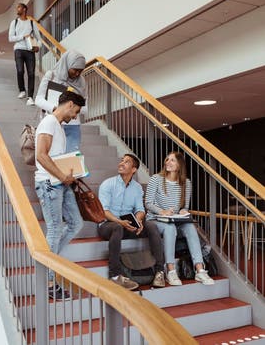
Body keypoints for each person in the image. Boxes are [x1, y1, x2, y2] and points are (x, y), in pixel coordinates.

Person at [35, 90, 86, 300]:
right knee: (55, 229)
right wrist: (62, 176)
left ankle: (51, 259)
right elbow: (40, 155)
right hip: (49, 184)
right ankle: (48, 280)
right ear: (70, 104)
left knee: (76, 223)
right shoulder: (48, 122)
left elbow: (54, 157)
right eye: (76, 112)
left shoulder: (59, 128)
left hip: (60, 183)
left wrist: (72, 172)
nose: (75, 116)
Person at [145, 151, 215, 286]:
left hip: (175, 219)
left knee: (190, 226)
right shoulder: (156, 179)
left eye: (172, 160)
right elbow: (148, 203)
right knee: (170, 228)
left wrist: (183, 211)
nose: (168, 162)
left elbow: (184, 207)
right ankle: (170, 271)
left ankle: (200, 270)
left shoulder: (186, 183)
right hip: (156, 219)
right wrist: (162, 211)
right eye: (167, 159)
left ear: (180, 165)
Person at [98, 154, 165, 290]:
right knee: (117, 227)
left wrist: (139, 220)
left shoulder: (137, 188)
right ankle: (115, 276)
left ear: (134, 169)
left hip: (128, 226)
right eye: (122, 160)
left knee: (151, 226)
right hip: (109, 225)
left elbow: (140, 209)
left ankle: (160, 271)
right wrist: (120, 222)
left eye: (126, 162)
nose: (121, 163)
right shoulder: (108, 184)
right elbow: (104, 211)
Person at [35, 50, 87, 153]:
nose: (77, 74)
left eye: (80, 71)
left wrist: (74, 110)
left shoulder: (82, 81)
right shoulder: (51, 75)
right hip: (54, 122)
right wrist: (57, 109)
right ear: (68, 64)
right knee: (53, 155)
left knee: (71, 159)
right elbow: (38, 99)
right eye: (75, 70)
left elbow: (85, 107)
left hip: (73, 126)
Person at [8, 3, 42, 105]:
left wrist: (37, 47)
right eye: (16, 8)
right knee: (20, 71)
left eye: (19, 7)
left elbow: (39, 39)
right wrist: (23, 36)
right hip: (18, 49)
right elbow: (10, 38)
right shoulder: (14, 22)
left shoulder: (32, 23)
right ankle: (22, 90)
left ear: (24, 9)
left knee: (31, 73)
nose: (17, 9)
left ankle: (30, 97)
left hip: (30, 50)